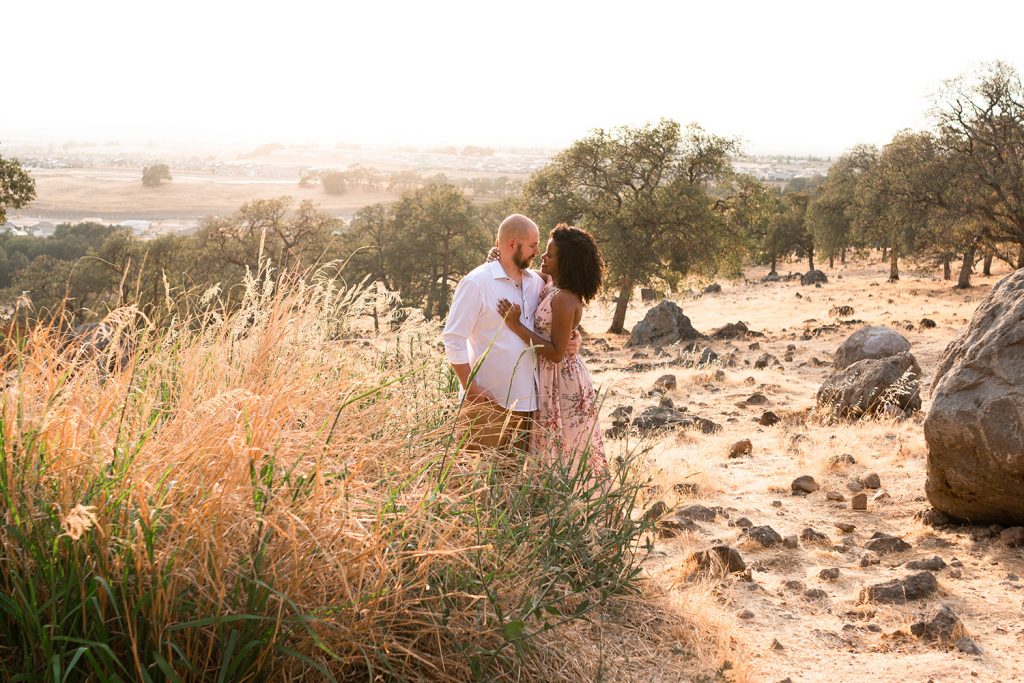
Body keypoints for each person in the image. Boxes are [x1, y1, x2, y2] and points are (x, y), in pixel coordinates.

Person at [495, 224, 607, 472]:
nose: (543, 257)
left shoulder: (565, 298)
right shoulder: (551, 283)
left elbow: (557, 353)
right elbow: (528, 271)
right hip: (547, 377)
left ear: (565, 262)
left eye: (550, 255)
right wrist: (500, 257)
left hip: (562, 379)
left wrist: (516, 326)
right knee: (553, 446)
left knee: (569, 448)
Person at [442, 214, 546, 450]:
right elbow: (453, 338)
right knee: (472, 479)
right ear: (511, 244)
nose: (537, 252)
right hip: (488, 402)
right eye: (532, 245)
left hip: (528, 405)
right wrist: (471, 389)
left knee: (513, 481)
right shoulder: (477, 283)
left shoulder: (535, 283)